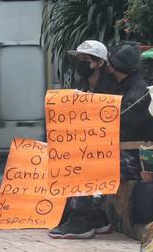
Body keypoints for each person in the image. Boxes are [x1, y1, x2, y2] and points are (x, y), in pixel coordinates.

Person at [48, 40, 116, 239]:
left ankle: (79, 221)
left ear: (100, 63)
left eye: (85, 59)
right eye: (79, 59)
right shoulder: (80, 86)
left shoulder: (111, 90)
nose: (81, 63)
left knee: (80, 164)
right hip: (90, 147)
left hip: (110, 151)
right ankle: (96, 216)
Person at [107, 42, 153, 180]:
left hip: (136, 160)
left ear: (113, 67)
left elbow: (122, 127)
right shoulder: (125, 87)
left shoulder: (138, 94)